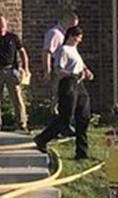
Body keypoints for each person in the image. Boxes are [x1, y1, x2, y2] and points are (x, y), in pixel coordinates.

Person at [35, 26, 92, 159]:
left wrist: (87, 72)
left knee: (84, 116)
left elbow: (81, 65)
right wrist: (72, 74)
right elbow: (58, 70)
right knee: (65, 118)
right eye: (79, 36)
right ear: (72, 36)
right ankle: (42, 139)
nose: (81, 39)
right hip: (68, 84)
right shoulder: (63, 50)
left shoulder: (74, 50)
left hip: (79, 84)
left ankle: (81, 152)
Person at [0, 15, 30, 131]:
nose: (1, 27)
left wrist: (25, 67)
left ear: (6, 25)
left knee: (17, 97)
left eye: (2, 24)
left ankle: (21, 123)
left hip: (11, 69)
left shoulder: (13, 38)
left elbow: (22, 52)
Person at [42, 11, 79, 133]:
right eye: (73, 25)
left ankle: (63, 126)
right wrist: (47, 71)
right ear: (67, 21)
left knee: (66, 100)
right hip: (59, 71)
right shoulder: (55, 34)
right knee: (56, 99)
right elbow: (47, 52)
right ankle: (54, 128)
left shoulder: (68, 35)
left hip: (69, 74)